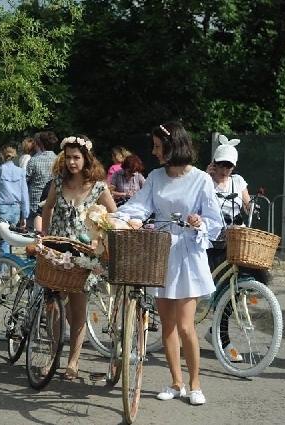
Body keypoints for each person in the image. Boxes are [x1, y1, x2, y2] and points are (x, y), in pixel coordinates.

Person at [116, 122, 223, 405]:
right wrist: (122, 218)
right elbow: (140, 205)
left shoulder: (201, 179)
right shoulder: (155, 177)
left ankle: (195, 383)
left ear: (172, 147)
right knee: (167, 326)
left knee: (186, 325)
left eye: (157, 146)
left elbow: (215, 221)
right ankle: (176, 382)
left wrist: (199, 222)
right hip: (160, 251)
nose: (153, 151)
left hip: (187, 252)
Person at [41, 134, 116, 380]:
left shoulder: (98, 187)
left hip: (83, 254)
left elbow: (114, 216)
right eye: (68, 157)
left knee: (77, 308)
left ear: (86, 159)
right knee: (52, 307)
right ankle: (53, 356)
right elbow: (48, 207)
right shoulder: (57, 182)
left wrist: (99, 239)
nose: (72, 162)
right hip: (57, 251)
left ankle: (73, 362)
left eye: (76, 157)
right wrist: (44, 236)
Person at [203, 135, 269, 362]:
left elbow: (246, 203)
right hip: (212, 241)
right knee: (221, 291)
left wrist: (252, 208)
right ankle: (221, 337)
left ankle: (217, 334)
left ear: (234, 166)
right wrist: (205, 174)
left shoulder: (238, 181)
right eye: (220, 164)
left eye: (228, 165)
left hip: (236, 240)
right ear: (214, 162)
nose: (224, 170)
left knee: (240, 287)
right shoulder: (205, 180)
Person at [0, 144, 29, 255]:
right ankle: (8, 268)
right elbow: (24, 194)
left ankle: (2, 270)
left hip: (3, 209)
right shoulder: (20, 172)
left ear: (2, 155)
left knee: (3, 241)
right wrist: (25, 215)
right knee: (10, 240)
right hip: (16, 210)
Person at [25, 131, 58, 230]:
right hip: (53, 204)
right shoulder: (58, 160)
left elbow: (25, 181)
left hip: (34, 204)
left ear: (40, 144)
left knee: (32, 238)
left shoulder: (34, 160)